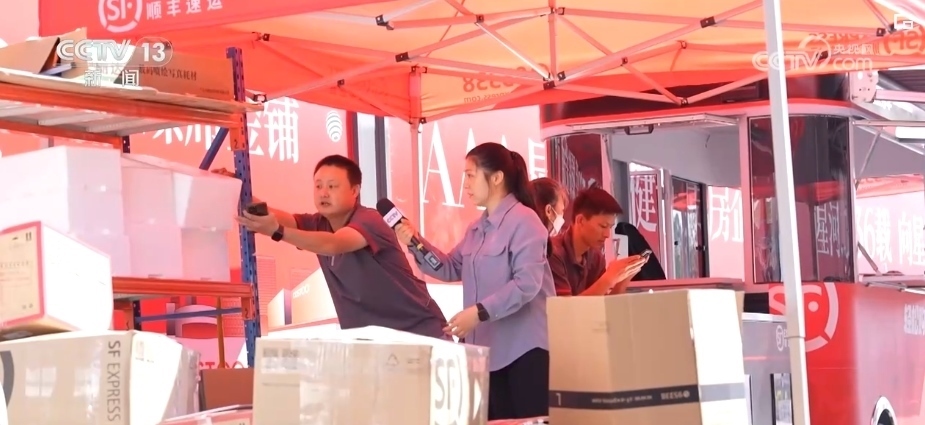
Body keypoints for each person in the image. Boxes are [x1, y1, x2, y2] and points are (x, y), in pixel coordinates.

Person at [394, 142, 554, 420]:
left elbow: (526, 284)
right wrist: (415, 243)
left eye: (470, 175)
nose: (465, 184)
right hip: (486, 353)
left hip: (524, 351)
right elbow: (449, 267)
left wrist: (479, 312)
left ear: (496, 177)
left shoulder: (525, 221)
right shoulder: (477, 229)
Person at [220, 154, 448, 339]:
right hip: (374, 345)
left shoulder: (371, 219)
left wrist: (278, 232)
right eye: (318, 186)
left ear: (354, 191)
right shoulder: (318, 222)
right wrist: (237, 190)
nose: (323, 193)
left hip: (420, 335)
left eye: (332, 186)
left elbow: (334, 243)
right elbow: (280, 218)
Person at [549, 187, 647, 296]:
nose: (607, 234)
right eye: (603, 226)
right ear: (580, 220)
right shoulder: (553, 252)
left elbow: (604, 303)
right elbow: (565, 306)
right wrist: (609, 278)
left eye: (610, 227)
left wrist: (624, 278)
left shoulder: (596, 258)